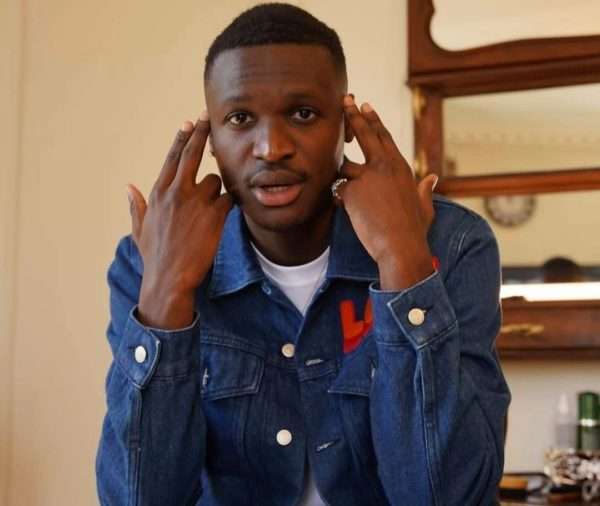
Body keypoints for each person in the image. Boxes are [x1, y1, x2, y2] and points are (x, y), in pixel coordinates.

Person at [95, 3, 510, 505]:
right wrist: (166, 295)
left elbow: (450, 497)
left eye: (303, 113)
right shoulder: (146, 263)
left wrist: (403, 263)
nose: (271, 147)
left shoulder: (452, 244)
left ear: (346, 124)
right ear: (212, 141)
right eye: (240, 118)